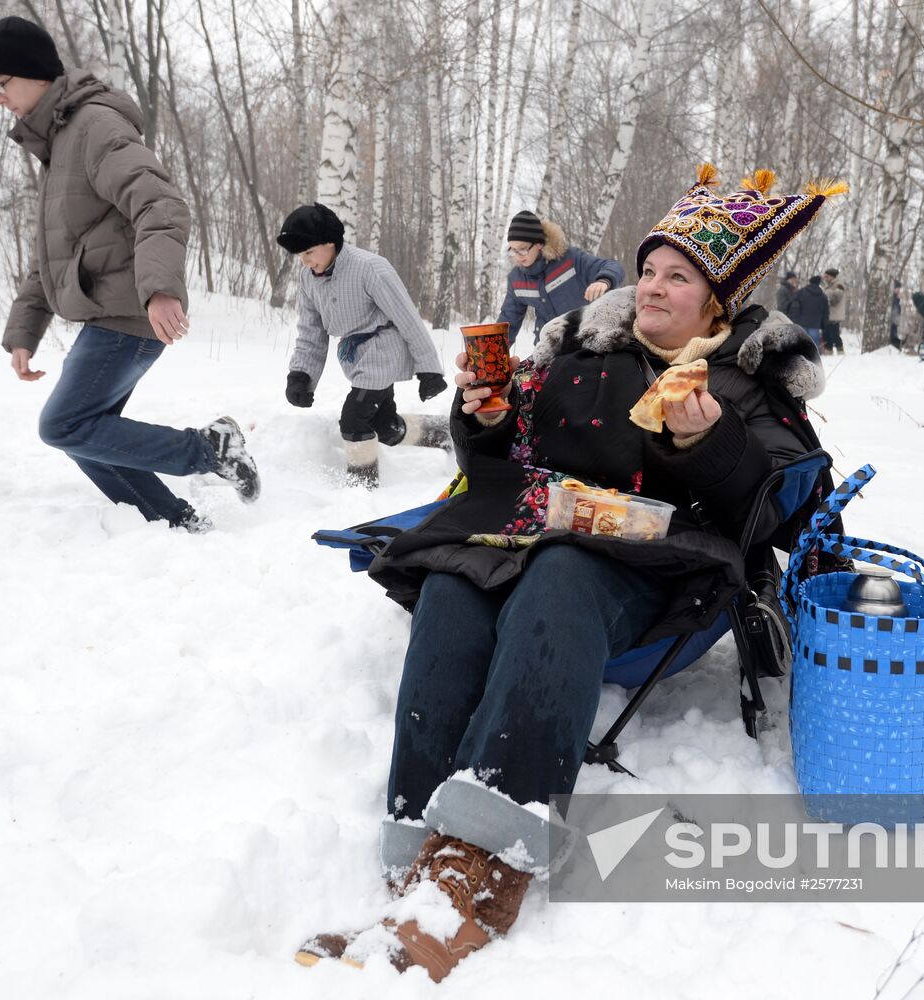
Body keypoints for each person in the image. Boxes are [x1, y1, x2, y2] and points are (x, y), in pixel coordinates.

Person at [294, 165, 844, 981]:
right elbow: (507, 456)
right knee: (449, 581)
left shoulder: (747, 376)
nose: (653, 288)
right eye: (648, 270)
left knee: (559, 574)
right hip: (533, 534)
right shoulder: (582, 348)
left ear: (715, 298)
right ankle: (416, 867)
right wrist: (481, 419)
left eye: (677, 277)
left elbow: (785, 512)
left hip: (663, 576)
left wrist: (707, 441)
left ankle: (484, 875)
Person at [0, 16, 259, 533]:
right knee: (89, 433)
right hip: (108, 312)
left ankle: (211, 448)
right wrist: (24, 333)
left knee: (64, 424)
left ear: (35, 74)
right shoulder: (58, 144)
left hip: (128, 312)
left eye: (1, 83)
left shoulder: (94, 126)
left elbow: (161, 204)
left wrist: (160, 289)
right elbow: (50, 257)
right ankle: (174, 521)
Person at [279, 204, 449, 487]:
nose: (304, 261)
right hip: (357, 359)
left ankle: (362, 489)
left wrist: (429, 369)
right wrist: (301, 376)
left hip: (384, 350)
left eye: (308, 252)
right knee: (385, 428)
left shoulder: (369, 267)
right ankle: (445, 432)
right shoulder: (308, 279)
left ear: (330, 243)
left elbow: (407, 318)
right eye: (300, 255)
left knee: (354, 420)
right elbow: (311, 331)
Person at [495, 210, 625, 347]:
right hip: (547, 349)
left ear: (539, 243)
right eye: (513, 250)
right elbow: (508, 321)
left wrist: (604, 280)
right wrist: (492, 352)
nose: (518, 255)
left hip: (582, 343)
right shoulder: (517, 279)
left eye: (523, 249)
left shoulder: (570, 260)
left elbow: (614, 266)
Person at [787, 274, 830, 348]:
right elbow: (826, 312)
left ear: (810, 282)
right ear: (819, 283)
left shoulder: (801, 292)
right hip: (815, 324)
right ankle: (815, 357)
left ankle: (802, 356)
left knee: (801, 342)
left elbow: (791, 303)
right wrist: (824, 325)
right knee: (814, 343)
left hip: (801, 321)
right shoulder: (823, 296)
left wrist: (792, 316)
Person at [822, 268, 846, 354]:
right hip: (830, 315)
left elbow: (836, 298)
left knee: (835, 335)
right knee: (828, 334)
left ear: (832, 276)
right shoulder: (830, 285)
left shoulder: (838, 285)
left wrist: (827, 300)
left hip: (835, 315)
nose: (825, 278)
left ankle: (840, 352)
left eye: (827, 276)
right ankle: (829, 352)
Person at [890, 279, 904, 349]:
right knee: (893, 336)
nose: (898, 290)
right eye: (897, 288)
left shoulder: (897, 298)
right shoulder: (893, 298)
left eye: (899, 289)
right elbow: (894, 310)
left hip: (894, 322)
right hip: (892, 322)